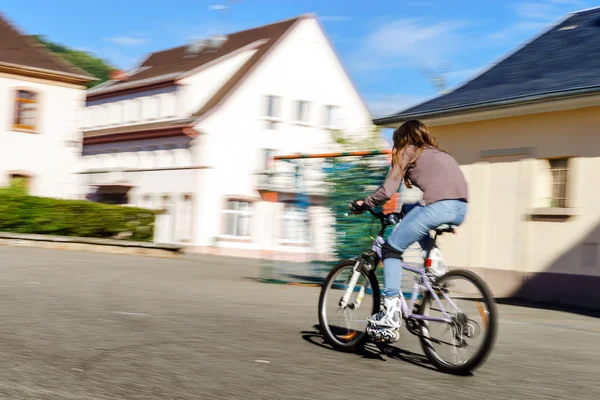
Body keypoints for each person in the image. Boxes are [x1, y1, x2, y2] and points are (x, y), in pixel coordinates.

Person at [349, 119, 468, 340]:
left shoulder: (407, 151)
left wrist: (364, 203)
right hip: (460, 209)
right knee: (409, 207)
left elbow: (386, 192)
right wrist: (402, 215)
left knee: (391, 249)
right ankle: (434, 259)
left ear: (401, 139)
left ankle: (391, 314)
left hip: (438, 207)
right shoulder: (440, 154)